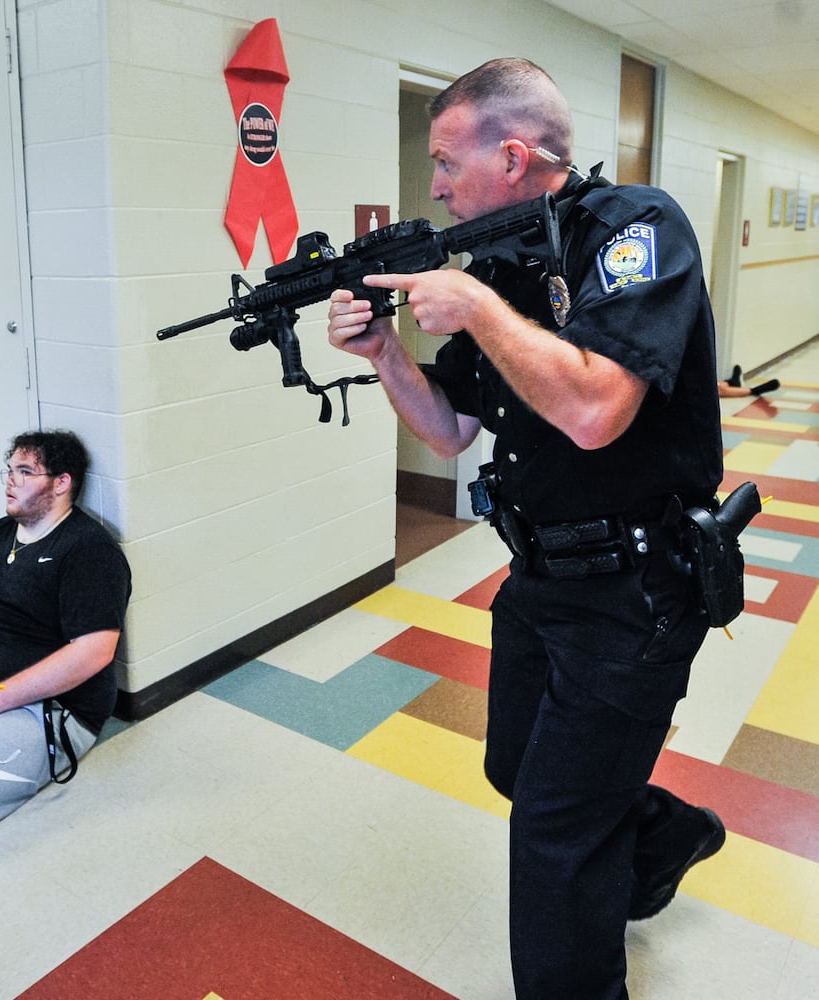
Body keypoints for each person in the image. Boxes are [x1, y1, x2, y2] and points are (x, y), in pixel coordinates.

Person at [327, 60, 726, 999]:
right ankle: (666, 834)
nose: (430, 186)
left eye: (442, 161)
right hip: (540, 580)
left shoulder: (636, 228)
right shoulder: (505, 261)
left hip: (637, 591)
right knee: (515, 765)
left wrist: (472, 305)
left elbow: (594, 411)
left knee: (553, 837)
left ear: (512, 156)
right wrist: (386, 350)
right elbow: (447, 427)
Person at [0, 429, 132, 834]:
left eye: (25, 472)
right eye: (9, 471)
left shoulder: (89, 550)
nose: (11, 480)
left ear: (62, 483)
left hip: (43, 708)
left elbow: (95, 650)